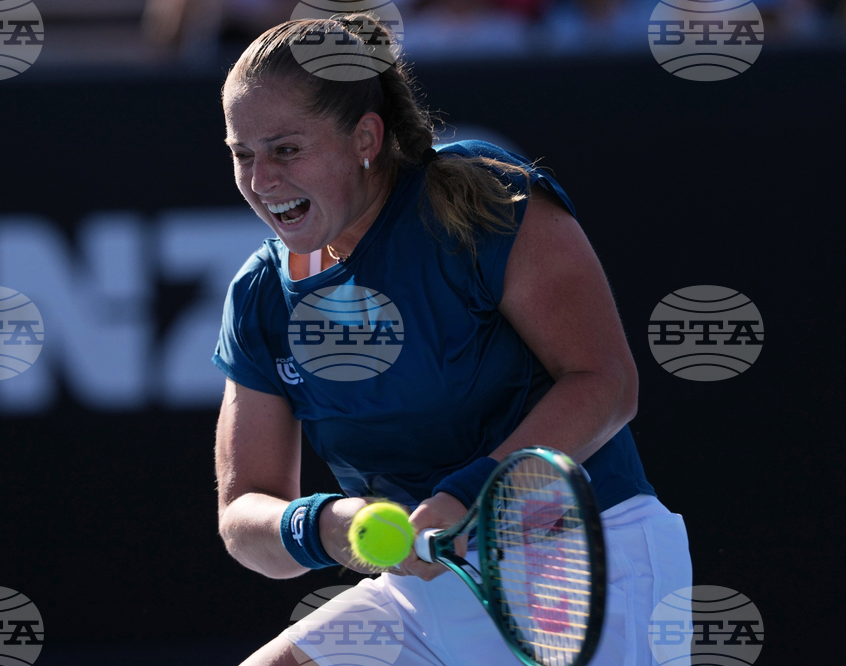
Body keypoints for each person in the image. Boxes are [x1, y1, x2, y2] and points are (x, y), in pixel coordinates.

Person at [213, 15, 692, 666]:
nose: (261, 180)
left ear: (365, 137)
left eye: (286, 149)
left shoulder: (480, 196)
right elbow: (245, 513)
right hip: (422, 592)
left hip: (584, 556)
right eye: (243, 154)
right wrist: (330, 526)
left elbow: (605, 382)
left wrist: (467, 496)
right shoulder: (260, 294)